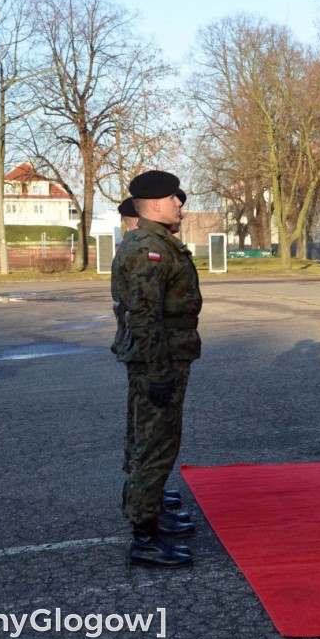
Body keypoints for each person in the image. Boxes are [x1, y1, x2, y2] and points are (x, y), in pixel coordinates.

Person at [111, 170, 203, 566]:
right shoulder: (150, 248)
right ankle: (144, 538)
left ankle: (149, 519)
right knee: (155, 444)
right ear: (153, 204)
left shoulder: (156, 242)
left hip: (165, 354)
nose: (179, 203)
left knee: (154, 441)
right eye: (172, 198)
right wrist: (159, 372)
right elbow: (145, 316)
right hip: (159, 358)